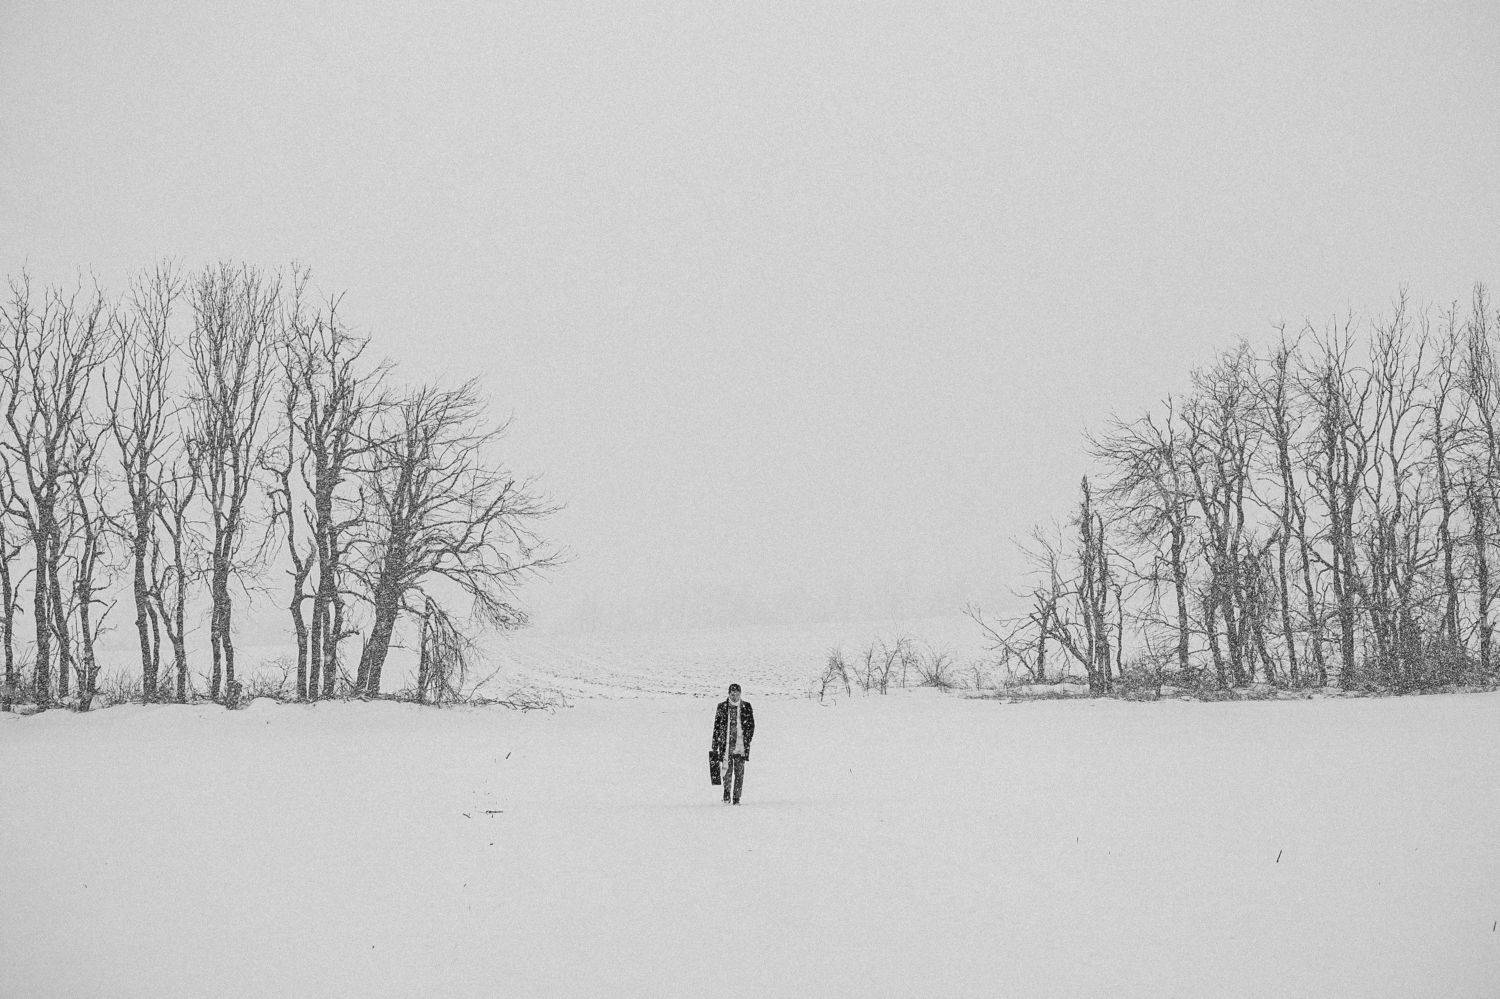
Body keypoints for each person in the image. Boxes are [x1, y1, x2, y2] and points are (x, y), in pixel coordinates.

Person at [710, 683, 754, 805]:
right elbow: (716, 727)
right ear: (729, 694)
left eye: (737, 693)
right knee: (726, 771)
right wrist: (715, 745)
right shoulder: (722, 707)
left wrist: (747, 739)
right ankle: (726, 795)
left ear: (740, 693)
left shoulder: (746, 706)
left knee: (739, 773)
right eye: (732, 693)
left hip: (740, 746)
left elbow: (751, 726)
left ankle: (736, 798)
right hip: (726, 745)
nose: (734, 696)